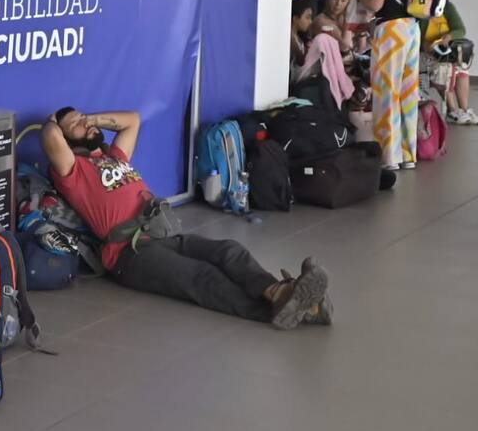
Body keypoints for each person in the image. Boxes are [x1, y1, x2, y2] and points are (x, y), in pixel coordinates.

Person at [41, 107, 331, 329]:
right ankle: (289, 308)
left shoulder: (115, 157)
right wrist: (54, 121)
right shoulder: (72, 171)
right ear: (66, 138)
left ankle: (283, 293)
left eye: (83, 118)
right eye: (75, 125)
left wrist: (89, 119)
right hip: (131, 252)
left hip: (164, 233)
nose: (84, 123)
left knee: (229, 250)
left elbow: (133, 120)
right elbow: (50, 136)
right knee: (202, 277)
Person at [356, 0, 421, 170]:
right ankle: (408, 154)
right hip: (412, 29)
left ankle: (389, 156)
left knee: (386, 91)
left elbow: (375, 4)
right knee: (408, 92)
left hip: (392, 32)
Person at [420, 0, 478, 124]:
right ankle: (452, 110)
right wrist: (428, 46)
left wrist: (449, 37)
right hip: (426, 53)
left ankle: (464, 109)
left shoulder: (447, 6)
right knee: (445, 69)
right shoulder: (419, 10)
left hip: (446, 50)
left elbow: (460, 29)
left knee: (462, 67)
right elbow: (420, 39)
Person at [291, 0, 314, 70]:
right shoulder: (291, 39)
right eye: (307, 17)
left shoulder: (298, 37)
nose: (310, 21)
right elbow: (301, 62)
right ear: (295, 18)